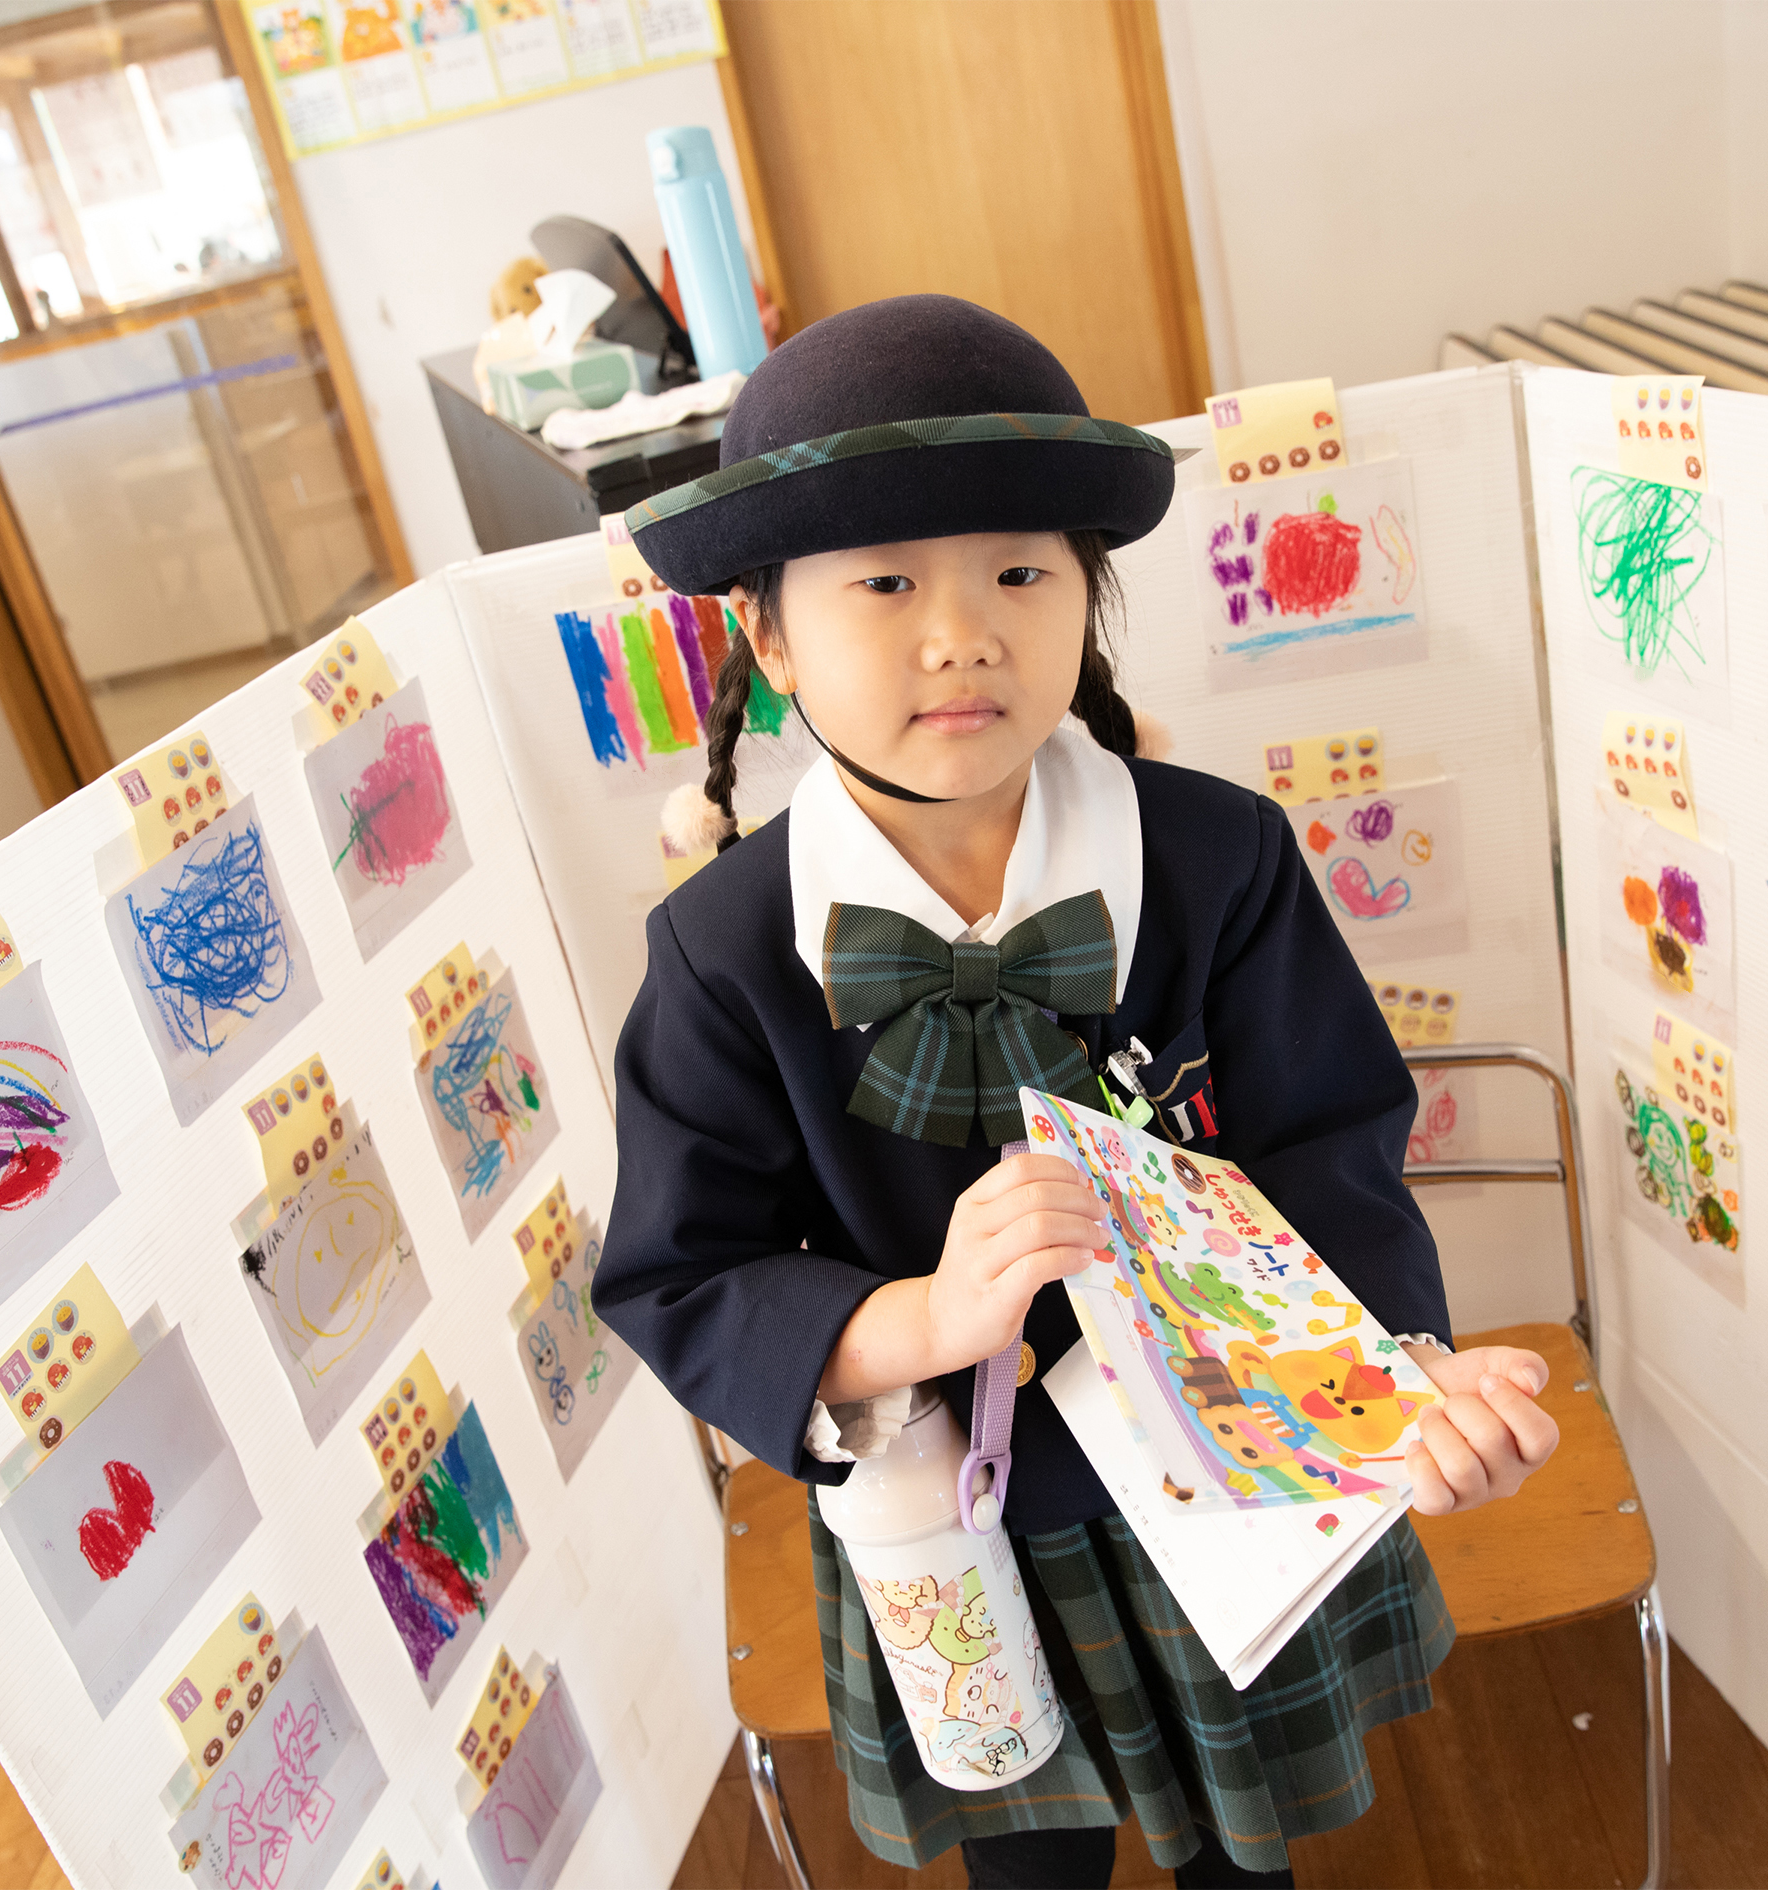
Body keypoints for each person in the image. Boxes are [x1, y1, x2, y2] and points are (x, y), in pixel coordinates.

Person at [597, 296, 1559, 1889]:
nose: (958, 630)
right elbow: (679, 1269)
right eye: (884, 583)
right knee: (1025, 1868)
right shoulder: (719, 951)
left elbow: (1330, 1145)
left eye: (1019, 574)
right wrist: (920, 1315)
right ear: (766, 637)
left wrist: (1406, 1381)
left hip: (1233, 1479)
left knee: (1240, 1856)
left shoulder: (1217, 857)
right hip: (949, 1519)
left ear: (1086, 604)